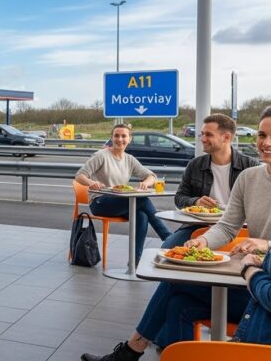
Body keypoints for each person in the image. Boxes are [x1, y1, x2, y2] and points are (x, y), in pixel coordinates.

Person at [81, 106, 271, 361]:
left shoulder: (243, 167)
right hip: (247, 279)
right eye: (261, 135)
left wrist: (266, 245)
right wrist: (203, 240)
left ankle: (129, 353)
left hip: (262, 293)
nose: (266, 143)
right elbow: (227, 226)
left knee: (174, 282)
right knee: (177, 303)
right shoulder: (249, 177)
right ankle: (138, 352)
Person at [75, 124, 172, 264]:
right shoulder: (101, 156)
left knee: (141, 215)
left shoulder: (129, 159)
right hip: (100, 202)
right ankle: (167, 236)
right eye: (116, 136)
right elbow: (80, 176)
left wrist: (146, 183)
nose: (120, 139)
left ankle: (134, 260)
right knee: (142, 200)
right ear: (111, 138)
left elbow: (151, 175)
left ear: (130, 139)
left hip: (121, 201)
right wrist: (91, 183)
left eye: (123, 136)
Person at [163, 114, 260, 248]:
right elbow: (179, 198)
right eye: (202, 134)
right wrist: (196, 201)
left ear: (226, 137)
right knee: (167, 249)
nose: (203, 139)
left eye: (208, 135)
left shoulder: (250, 166)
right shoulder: (195, 165)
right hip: (199, 224)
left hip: (239, 227)